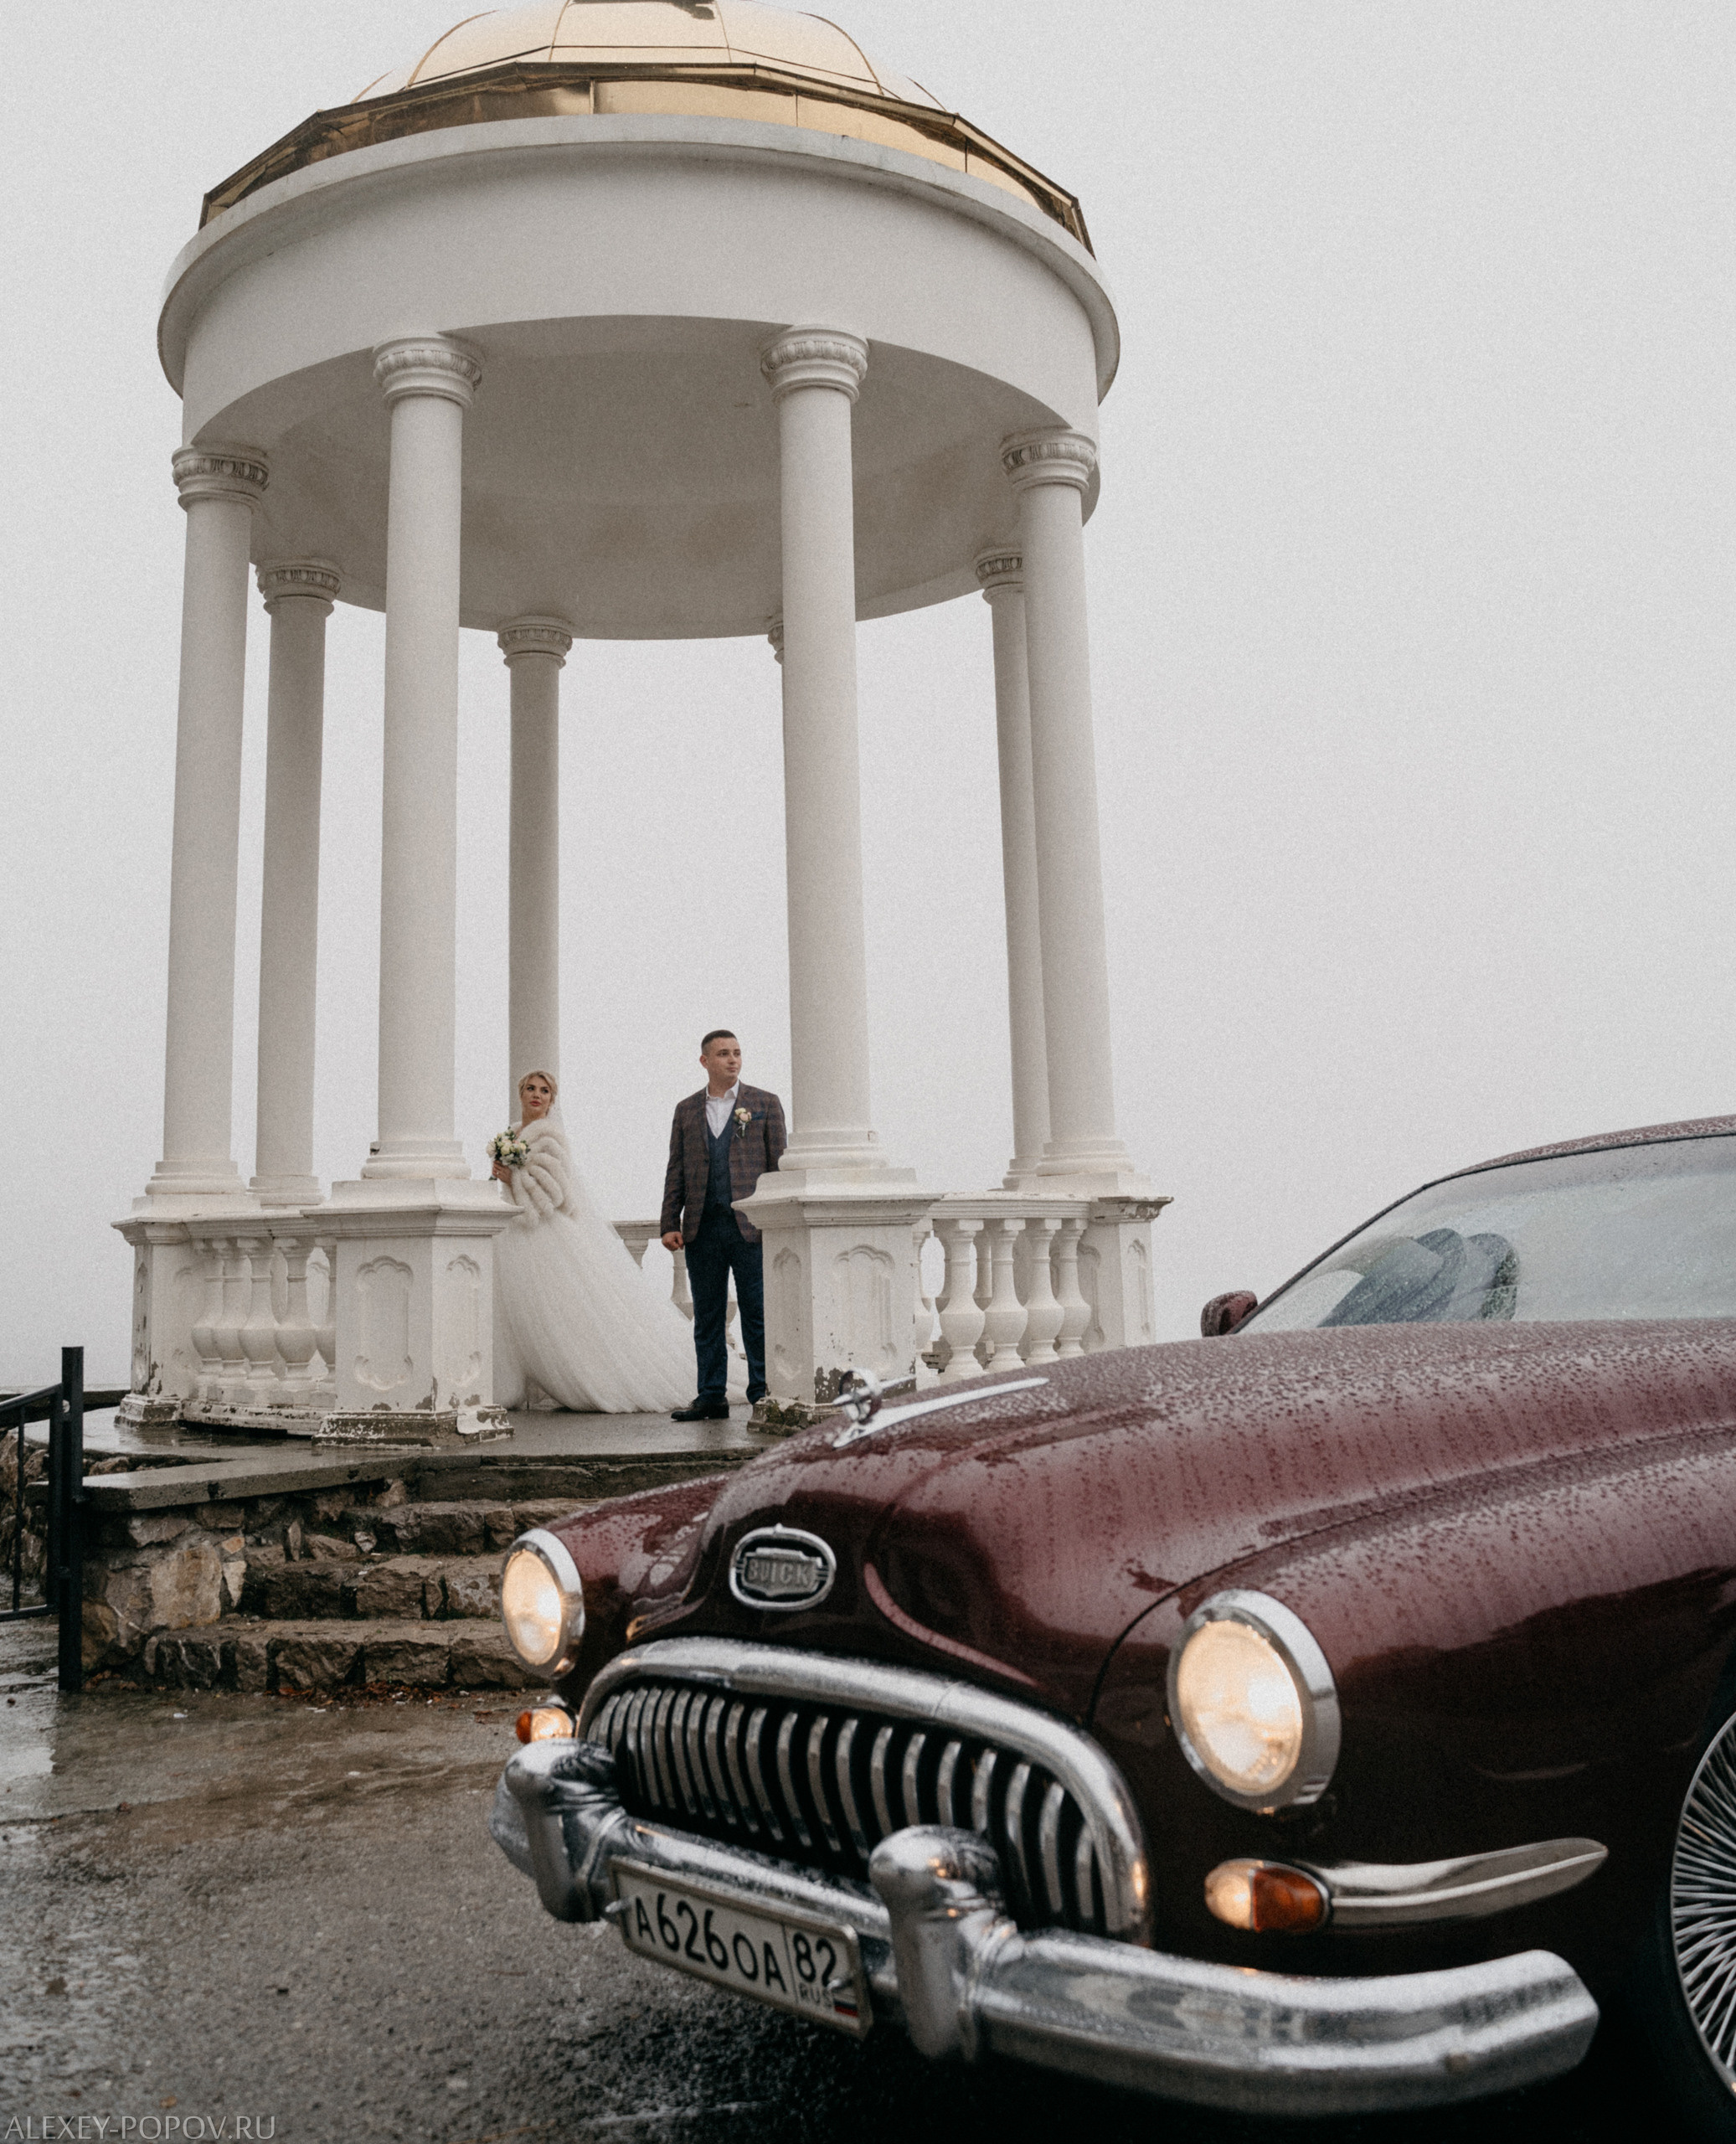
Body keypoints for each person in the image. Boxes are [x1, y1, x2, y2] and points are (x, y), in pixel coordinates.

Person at [492, 1069, 693, 1414]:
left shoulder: (550, 1136)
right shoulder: (511, 1135)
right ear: (520, 1094)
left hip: (545, 1233)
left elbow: (554, 1194)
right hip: (515, 1232)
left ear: (552, 1101)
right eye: (530, 1089)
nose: (536, 1095)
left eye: (544, 1091)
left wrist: (514, 1176)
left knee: (562, 1311)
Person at [661, 1031, 786, 1420]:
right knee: (708, 1315)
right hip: (701, 1227)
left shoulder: (765, 1104)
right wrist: (669, 1221)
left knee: (757, 1313)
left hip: (750, 1229)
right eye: (723, 1054)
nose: (733, 1060)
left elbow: (778, 1168)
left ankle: (761, 1392)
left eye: (737, 1053)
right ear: (705, 1061)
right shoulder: (686, 1110)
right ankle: (711, 1394)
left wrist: (776, 1221)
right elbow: (677, 1169)